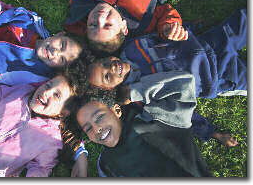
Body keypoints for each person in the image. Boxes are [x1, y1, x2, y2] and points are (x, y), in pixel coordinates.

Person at [86, 8, 247, 147]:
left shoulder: (131, 48)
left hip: (209, 43)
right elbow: (183, 115)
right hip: (218, 76)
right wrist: (213, 133)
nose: (112, 67)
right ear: (112, 91)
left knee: (243, 21)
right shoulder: (139, 97)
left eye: (106, 62)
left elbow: (161, 37)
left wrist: (187, 28)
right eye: (107, 77)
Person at [76, 71, 212, 177]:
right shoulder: (105, 163)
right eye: (88, 128)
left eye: (99, 117)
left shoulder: (158, 119)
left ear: (117, 110)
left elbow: (183, 83)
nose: (96, 128)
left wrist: (133, 93)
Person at [0, 71, 88, 177]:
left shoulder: (51, 141)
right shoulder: (21, 92)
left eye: (57, 95)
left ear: (64, 113)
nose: (46, 92)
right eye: (48, 85)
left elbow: (41, 168)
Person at [0, 0, 84, 92]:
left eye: (62, 59)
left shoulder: (38, 78)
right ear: (60, 34)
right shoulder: (30, 21)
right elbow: (4, 8)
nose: (55, 51)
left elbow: (5, 94)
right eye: (62, 45)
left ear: (60, 69)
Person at [64, 0, 188, 53]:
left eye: (93, 24)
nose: (100, 18)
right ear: (124, 28)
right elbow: (165, 12)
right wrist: (167, 26)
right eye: (108, 25)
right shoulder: (142, 21)